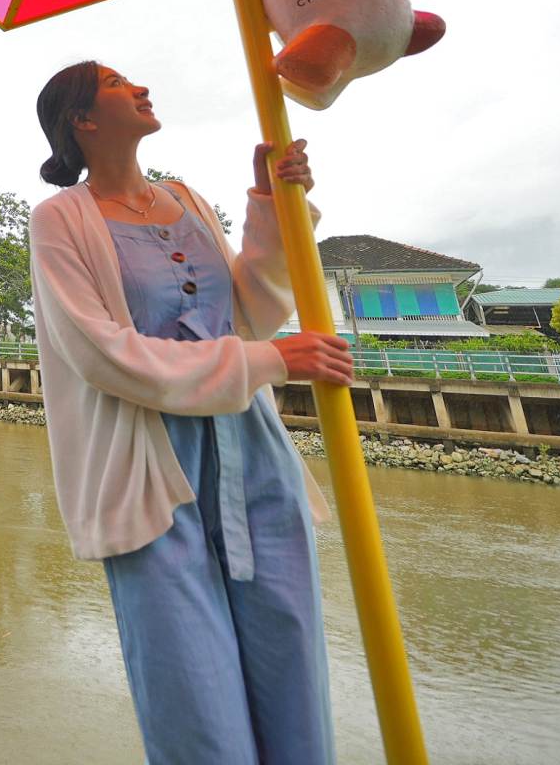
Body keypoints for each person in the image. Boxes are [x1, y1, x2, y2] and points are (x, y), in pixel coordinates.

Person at [28, 60, 353, 765]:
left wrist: (270, 204)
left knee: (291, 660)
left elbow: (253, 313)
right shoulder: (60, 220)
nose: (141, 87)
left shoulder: (187, 198)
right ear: (82, 120)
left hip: (254, 453)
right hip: (148, 468)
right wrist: (271, 363)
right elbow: (103, 355)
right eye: (117, 84)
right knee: (194, 698)